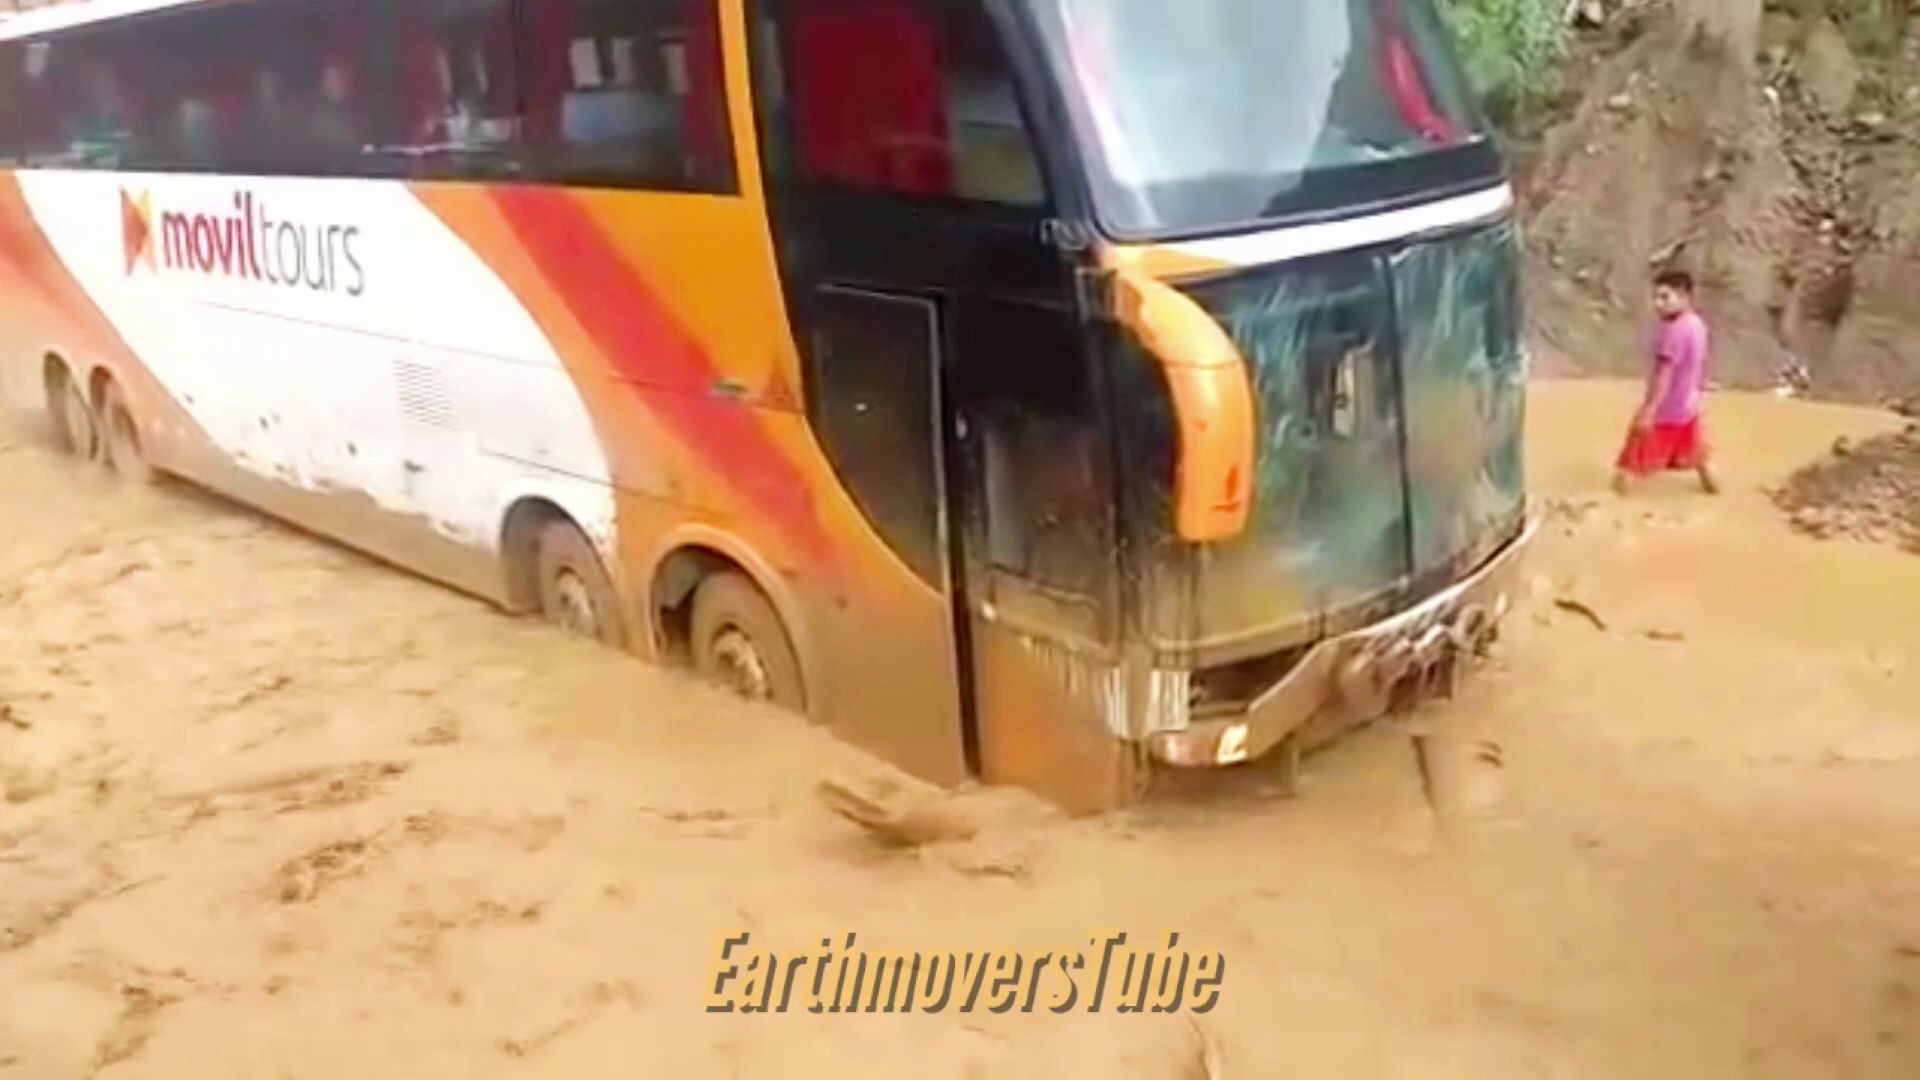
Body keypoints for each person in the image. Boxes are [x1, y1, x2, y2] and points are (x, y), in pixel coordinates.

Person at [1614, 269, 1720, 495]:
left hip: (1666, 411)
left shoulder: (1673, 332)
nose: (1657, 304)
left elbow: (1665, 374)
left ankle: (1614, 500)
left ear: (1683, 297)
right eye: (1655, 297)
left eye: (1665, 297)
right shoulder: (1697, 325)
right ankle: (1716, 492)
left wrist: (1649, 410)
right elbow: (1698, 364)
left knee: (1629, 465)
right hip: (1689, 406)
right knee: (1700, 459)